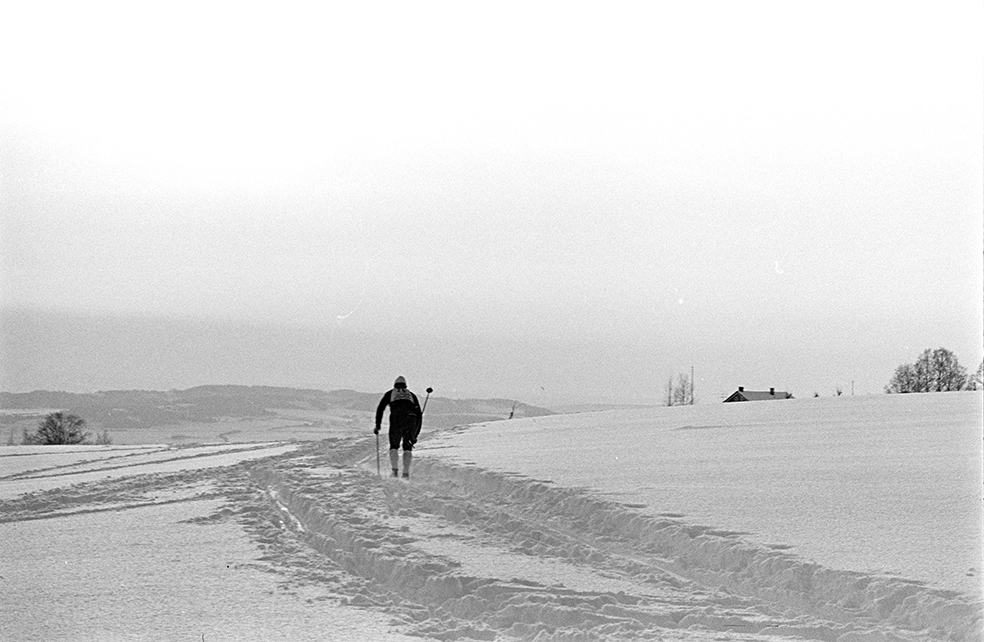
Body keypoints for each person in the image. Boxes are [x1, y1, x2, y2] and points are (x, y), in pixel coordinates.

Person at [374, 376, 422, 478]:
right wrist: (415, 434)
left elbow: (380, 409)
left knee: (394, 446)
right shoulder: (411, 395)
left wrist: (378, 425)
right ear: (405, 385)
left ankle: (395, 471)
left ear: (395, 384)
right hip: (411, 420)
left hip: (397, 420)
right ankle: (405, 473)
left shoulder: (391, 393)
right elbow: (419, 414)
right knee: (407, 447)